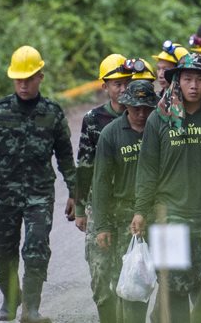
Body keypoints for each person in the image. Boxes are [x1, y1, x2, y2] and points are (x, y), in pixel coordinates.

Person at [130, 53, 201, 323]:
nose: (193, 85)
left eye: (200, 80)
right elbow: (147, 169)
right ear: (177, 82)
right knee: (175, 285)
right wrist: (140, 210)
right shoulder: (159, 119)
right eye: (188, 79)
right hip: (171, 214)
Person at [0, 45, 76, 323]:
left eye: (28, 79)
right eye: (18, 79)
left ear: (40, 76)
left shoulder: (52, 112)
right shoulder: (0, 110)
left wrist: (76, 193)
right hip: (5, 194)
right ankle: (10, 300)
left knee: (36, 248)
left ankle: (32, 308)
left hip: (39, 194)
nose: (23, 84)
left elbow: (65, 154)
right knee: (4, 250)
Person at [92, 79, 159, 323]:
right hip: (126, 219)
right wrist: (102, 225)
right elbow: (100, 183)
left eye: (146, 108)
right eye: (136, 108)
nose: (141, 114)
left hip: (160, 214)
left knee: (171, 282)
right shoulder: (111, 135)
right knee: (132, 280)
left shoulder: (162, 130)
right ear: (126, 106)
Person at [75, 54, 134, 323]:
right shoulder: (93, 119)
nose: (122, 89)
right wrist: (79, 208)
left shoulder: (143, 116)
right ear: (105, 87)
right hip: (98, 205)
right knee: (100, 273)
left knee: (127, 273)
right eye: (116, 84)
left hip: (130, 205)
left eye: (126, 83)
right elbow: (84, 163)